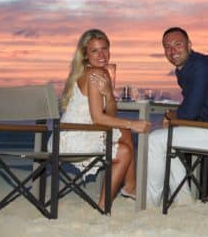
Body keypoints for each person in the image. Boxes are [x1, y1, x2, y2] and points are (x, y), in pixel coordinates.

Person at [146, 27, 208, 206]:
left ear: (189, 45)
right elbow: (196, 107)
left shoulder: (199, 66)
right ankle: (183, 199)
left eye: (178, 44)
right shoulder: (187, 68)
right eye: (167, 47)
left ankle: (151, 203)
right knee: (168, 139)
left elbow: (190, 111)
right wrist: (175, 118)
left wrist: (171, 115)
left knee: (155, 140)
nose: (172, 50)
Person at [52, 29, 151, 208]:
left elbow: (110, 114)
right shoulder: (95, 74)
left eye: (104, 49)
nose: (102, 55)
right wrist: (133, 123)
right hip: (75, 138)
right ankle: (106, 204)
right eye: (95, 51)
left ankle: (130, 187)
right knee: (125, 150)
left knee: (123, 131)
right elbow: (98, 118)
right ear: (85, 54)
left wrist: (109, 94)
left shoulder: (93, 73)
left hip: (64, 136)